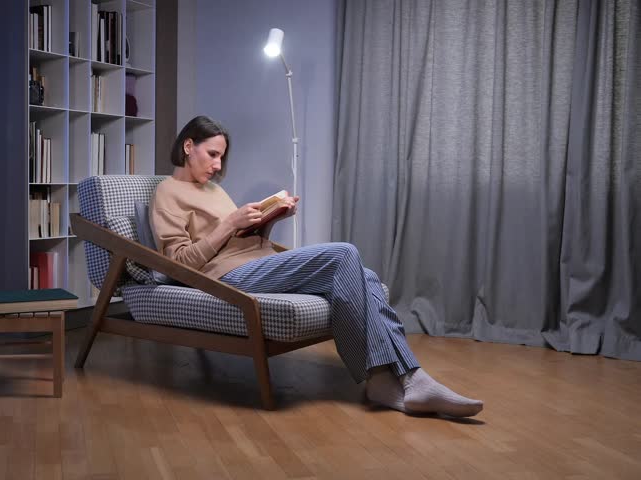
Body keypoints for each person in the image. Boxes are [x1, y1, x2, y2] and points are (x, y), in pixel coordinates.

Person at [149, 115, 483, 417]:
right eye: (212, 154)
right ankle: (397, 376)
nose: (218, 165)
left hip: (256, 261)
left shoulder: (213, 190)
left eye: (222, 156)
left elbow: (237, 238)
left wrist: (267, 220)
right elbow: (178, 262)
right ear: (188, 146)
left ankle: (393, 380)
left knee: (364, 275)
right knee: (343, 253)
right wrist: (229, 223)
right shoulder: (168, 192)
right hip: (226, 277)